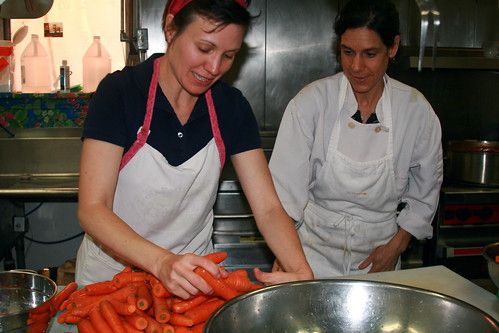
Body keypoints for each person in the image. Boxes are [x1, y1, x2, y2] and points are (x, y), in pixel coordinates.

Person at [75, 0, 313, 299]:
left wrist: (301, 271)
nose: (214, 68)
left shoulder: (231, 107)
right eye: (204, 49)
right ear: (171, 28)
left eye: (229, 56)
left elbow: (267, 208)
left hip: (192, 286)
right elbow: (93, 208)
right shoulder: (120, 94)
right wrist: (162, 262)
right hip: (111, 283)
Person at [269, 0, 443, 278]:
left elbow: (424, 195)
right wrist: (284, 255)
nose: (356, 66)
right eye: (347, 52)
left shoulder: (414, 110)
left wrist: (396, 248)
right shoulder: (312, 103)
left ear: (393, 48)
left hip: (379, 259)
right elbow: (283, 195)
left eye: (370, 53)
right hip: (311, 257)